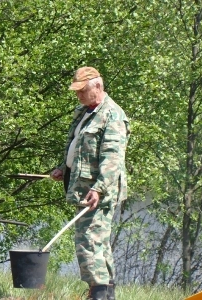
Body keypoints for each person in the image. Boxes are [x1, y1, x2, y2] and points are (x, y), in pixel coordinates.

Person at [51, 66, 130, 300]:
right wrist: (62, 167)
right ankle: (106, 294)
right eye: (77, 91)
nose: (79, 95)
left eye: (82, 90)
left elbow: (112, 159)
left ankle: (97, 293)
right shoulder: (84, 111)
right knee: (98, 242)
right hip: (85, 188)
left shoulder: (112, 115)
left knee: (88, 240)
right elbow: (77, 144)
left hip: (98, 192)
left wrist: (99, 188)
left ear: (98, 86)